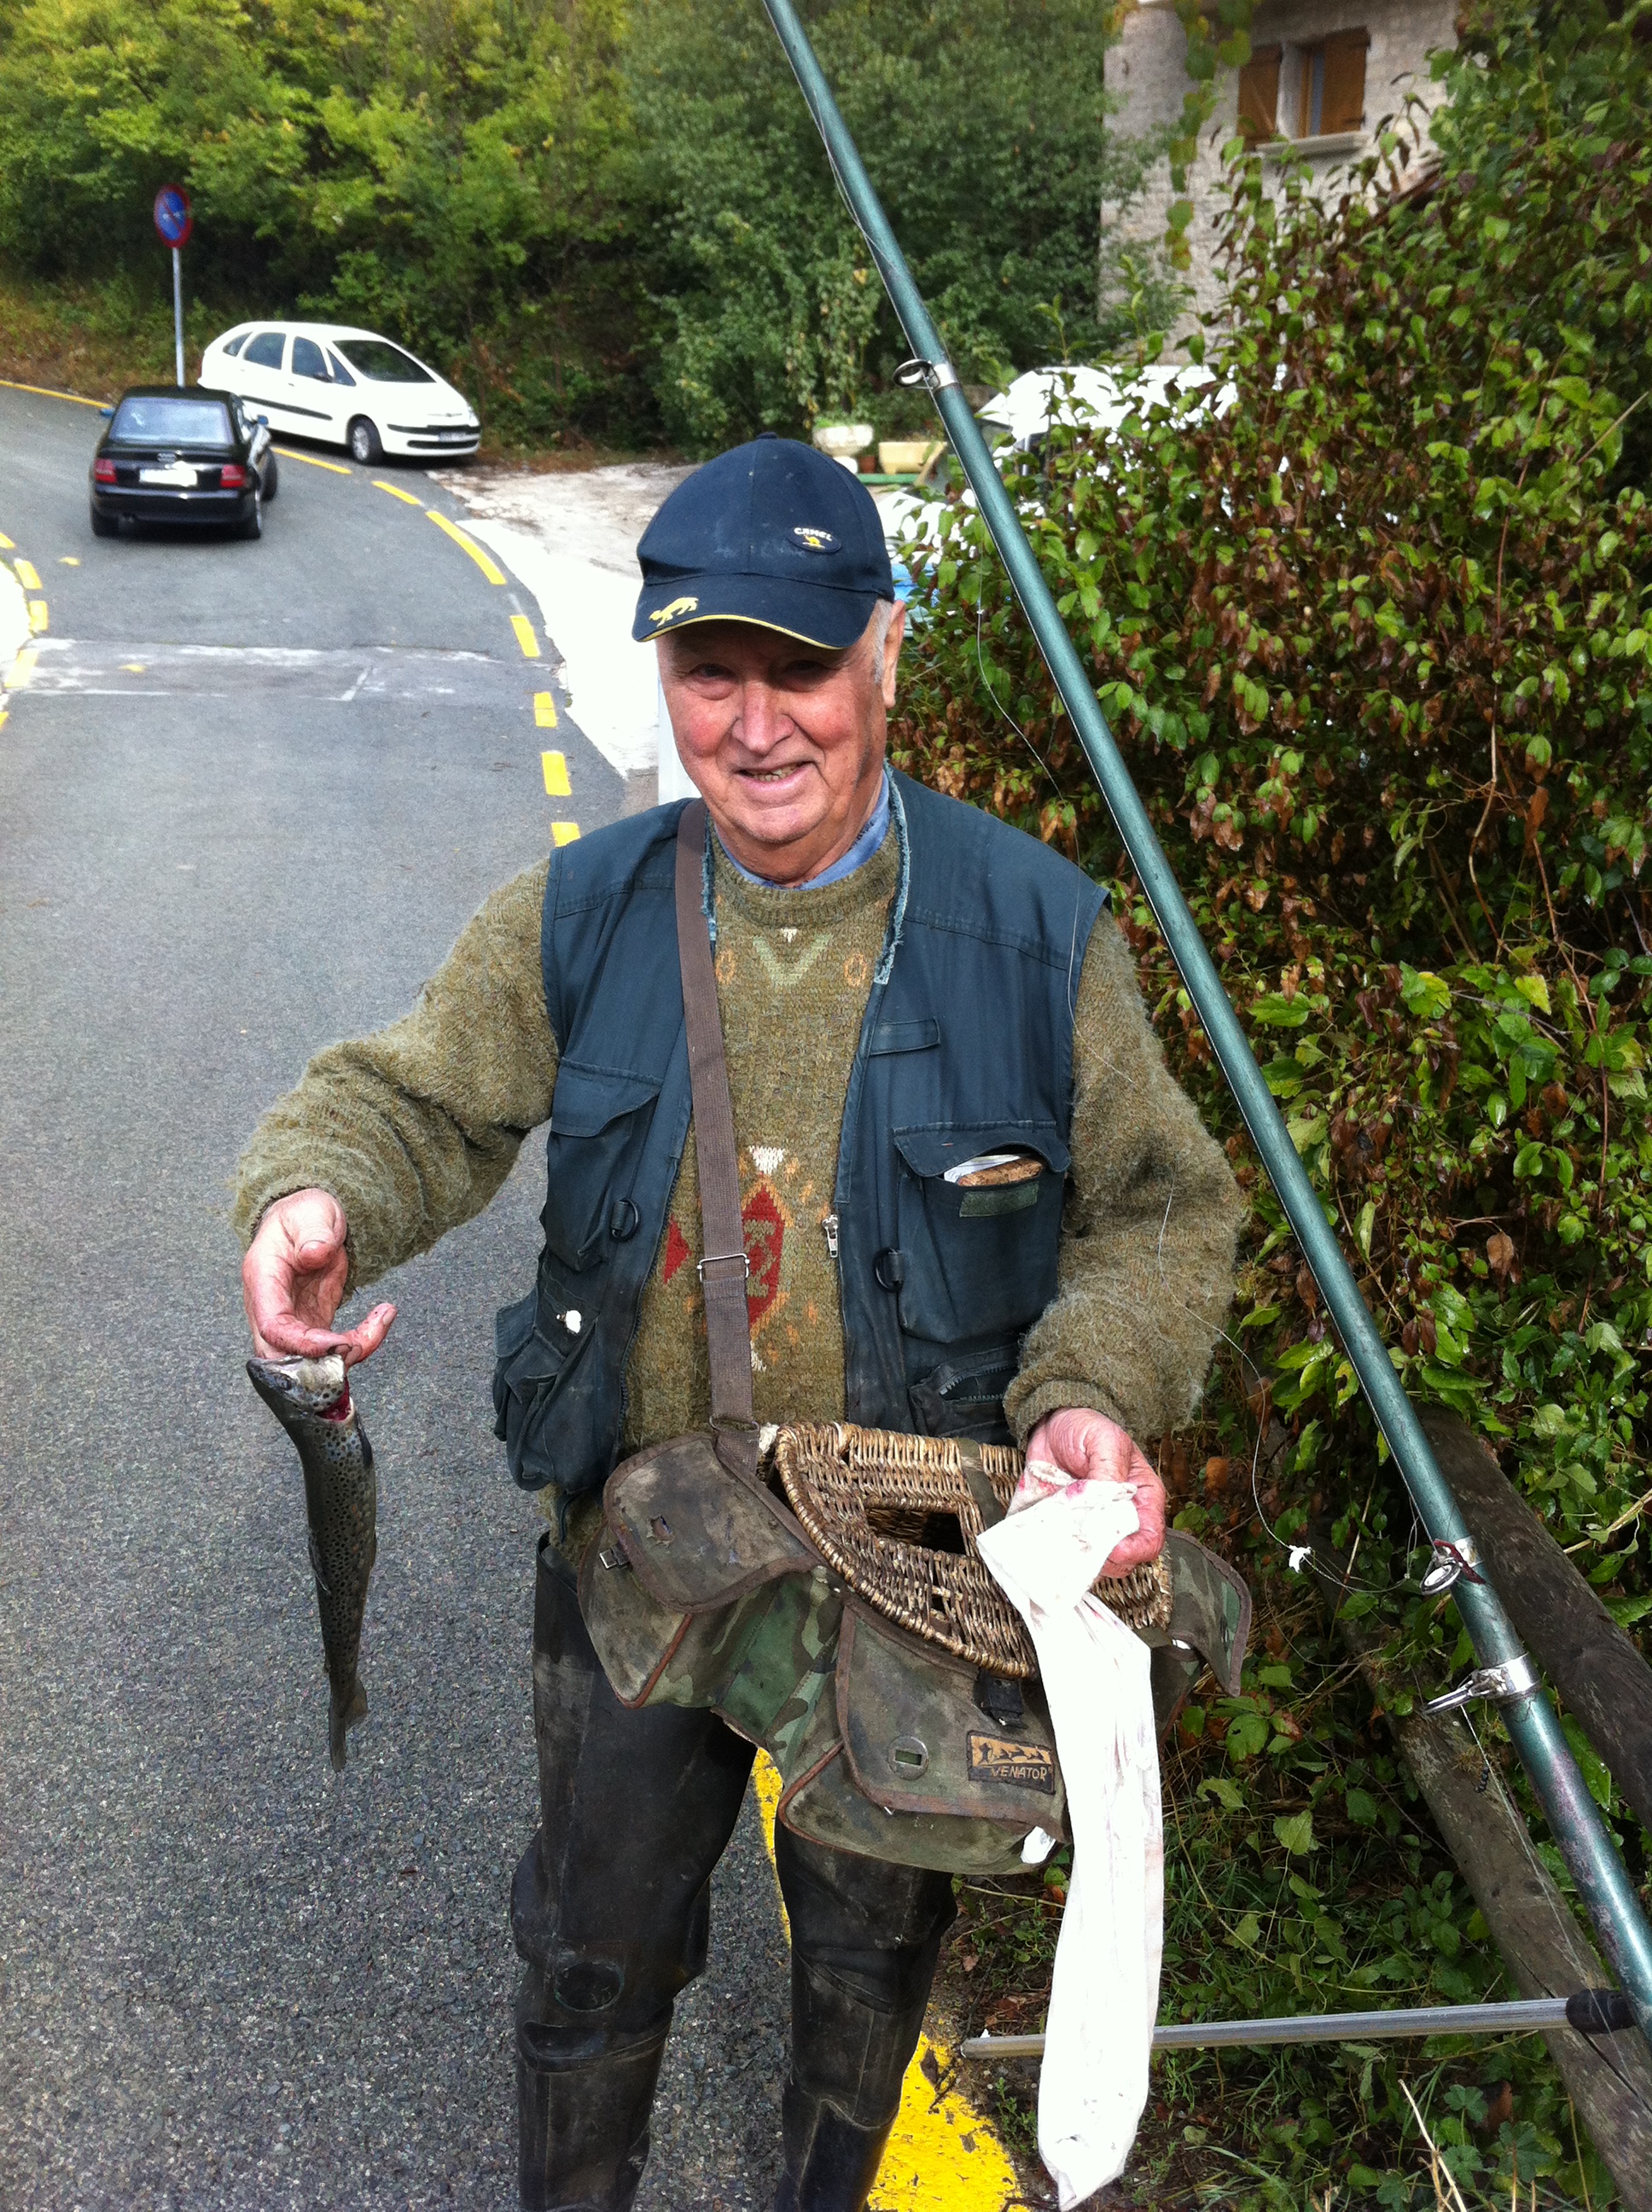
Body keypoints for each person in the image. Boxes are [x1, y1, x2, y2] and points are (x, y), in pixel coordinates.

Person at [234, 434, 1242, 2212]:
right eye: (712, 670)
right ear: (668, 674)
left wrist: (1091, 1391)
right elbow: (410, 1099)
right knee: (589, 1953)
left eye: (801, 667)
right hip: (634, 1551)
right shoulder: (580, 911)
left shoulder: (1036, 935)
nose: (756, 724)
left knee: (866, 1975)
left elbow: (1160, 1210)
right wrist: (315, 1198)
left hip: (909, 1584)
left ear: (885, 653)